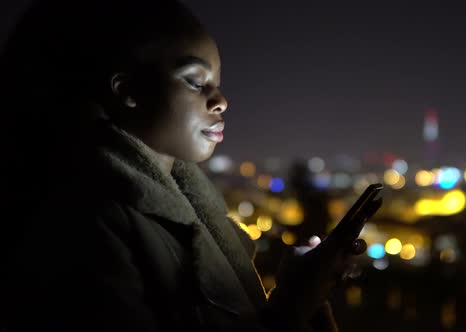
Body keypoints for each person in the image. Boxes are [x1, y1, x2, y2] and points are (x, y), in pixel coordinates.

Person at [0, 0, 380, 331]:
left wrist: (294, 295)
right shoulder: (85, 225)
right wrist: (295, 307)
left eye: (217, 82)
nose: (221, 101)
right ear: (126, 90)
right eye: (196, 81)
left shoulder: (182, 210)